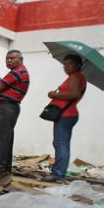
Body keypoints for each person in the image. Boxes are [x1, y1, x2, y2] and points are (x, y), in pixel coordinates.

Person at [0, 50, 30, 174]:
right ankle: (4, 167)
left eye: (12, 58)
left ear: (20, 59)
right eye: (7, 58)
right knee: (6, 138)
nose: (8, 60)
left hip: (6, 107)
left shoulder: (17, 72)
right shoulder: (19, 72)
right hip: (9, 107)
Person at [42, 54, 87, 182]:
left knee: (60, 144)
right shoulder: (77, 77)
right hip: (68, 114)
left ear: (78, 65)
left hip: (66, 114)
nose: (66, 66)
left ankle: (57, 173)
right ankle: (59, 172)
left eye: (69, 64)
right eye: (64, 64)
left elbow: (74, 94)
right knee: (63, 145)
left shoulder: (75, 77)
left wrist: (54, 95)